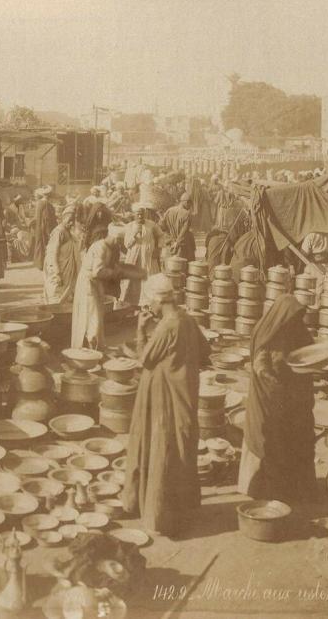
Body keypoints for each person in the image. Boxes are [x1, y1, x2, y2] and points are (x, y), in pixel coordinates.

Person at [121, 273, 210, 537]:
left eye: (150, 301)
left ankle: (160, 516)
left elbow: (145, 359)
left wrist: (141, 330)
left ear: (159, 300)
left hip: (164, 398)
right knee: (180, 449)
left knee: (161, 449)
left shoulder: (167, 326)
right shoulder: (187, 320)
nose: (149, 307)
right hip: (185, 395)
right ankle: (182, 511)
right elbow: (205, 352)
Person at [238, 295, 316, 503]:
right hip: (268, 395)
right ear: (282, 316)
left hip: (293, 394)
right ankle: (265, 490)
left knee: (298, 436)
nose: (296, 322)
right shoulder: (267, 331)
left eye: (299, 317)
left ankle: (296, 489)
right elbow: (259, 363)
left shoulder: (298, 330)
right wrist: (272, 380)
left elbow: (310, 352)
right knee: (269, 439)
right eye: (293, 317)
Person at [70, 226, 143, 349]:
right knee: (93, 317)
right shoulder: (101, 248)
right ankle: (90, 349)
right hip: (88, 284)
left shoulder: (104, 246)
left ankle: (97, 346)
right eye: (119, 242)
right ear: (116, 239)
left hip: (93, 283)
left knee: (96, 315)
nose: (119, 245)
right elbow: (97, 272)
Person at [121, 203, 163, 305]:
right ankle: (132, 301)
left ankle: (148, 303)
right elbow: (127, 245)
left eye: (142, 214)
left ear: (145, 214)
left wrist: (158, 249)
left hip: (148, 257)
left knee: (149, 278)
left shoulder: (152, 225)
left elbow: (161, 236)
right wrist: (135, 235)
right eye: (138, 214)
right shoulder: (129, 226)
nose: (140, 216)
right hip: (134, 257)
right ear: (134, 215)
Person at [43, 204, 80, 304]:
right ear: (64, 218)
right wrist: (57, 272)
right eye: (69, 220)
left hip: (67, 273)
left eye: (73, 220)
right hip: (59, 271)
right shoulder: (58, 232)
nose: (71, 223)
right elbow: (52, 254)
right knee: (56, 295)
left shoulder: (69, 232)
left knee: (66, 297)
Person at [160, 192, 195, 261]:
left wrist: (170, 238)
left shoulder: (169, 210)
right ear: (187, 202)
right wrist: (177, 243)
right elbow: (184, 232)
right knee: (184, 264)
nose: (190, 207)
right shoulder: (187, 214)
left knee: (170, 264)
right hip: (182, 246)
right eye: (190, 204)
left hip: (170, 244)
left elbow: (163, 227)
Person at [31, 187, 57, 271]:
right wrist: (48, 230)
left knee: (41, 244)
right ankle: (42, 263)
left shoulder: (41, 203)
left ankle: (41, 263)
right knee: (43, 244)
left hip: (42, 227)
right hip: (43, 228)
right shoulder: (44, 204)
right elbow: (45, 218)